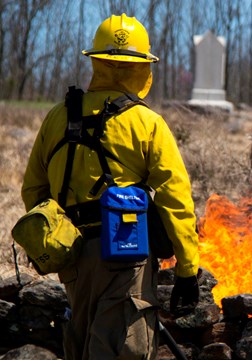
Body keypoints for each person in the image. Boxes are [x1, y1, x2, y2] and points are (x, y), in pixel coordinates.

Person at [20, 14, 200, 359]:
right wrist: (187, 270)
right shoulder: (148, 123)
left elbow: (33, 191)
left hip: (71, 257)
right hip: (126, 256)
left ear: (96, 62)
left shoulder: (58, 116)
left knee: (81, 340)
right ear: (142, 67)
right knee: (123, 347)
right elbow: (175, 200)